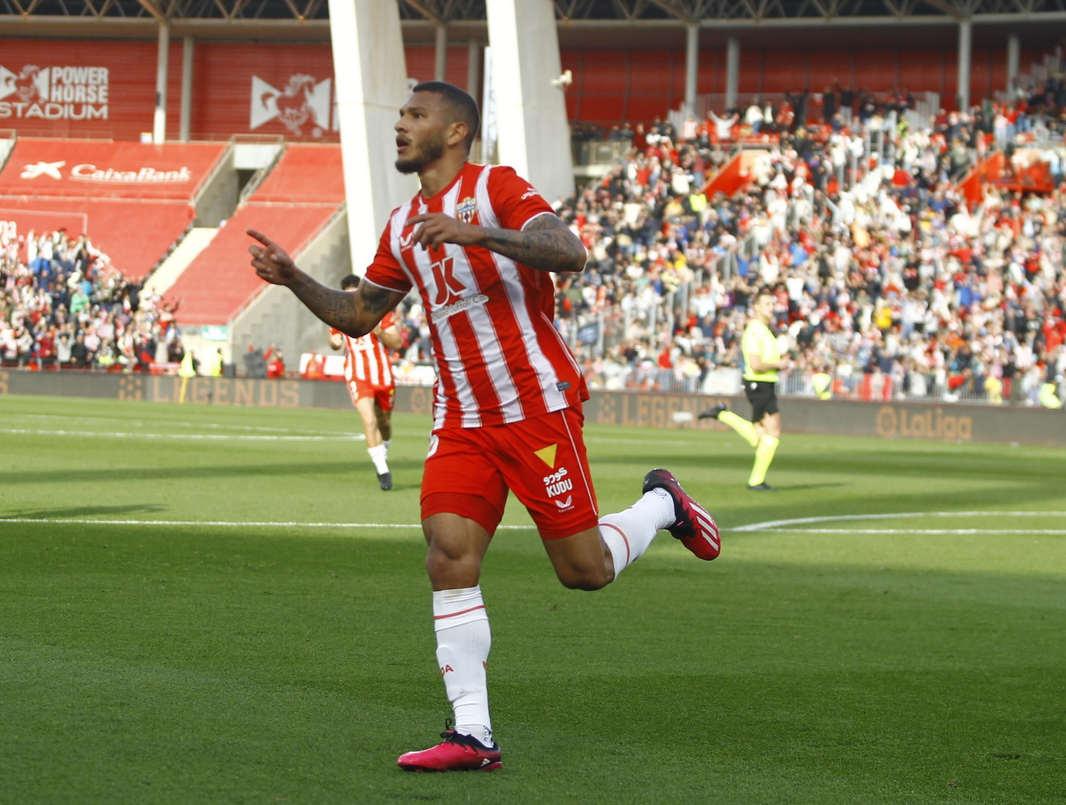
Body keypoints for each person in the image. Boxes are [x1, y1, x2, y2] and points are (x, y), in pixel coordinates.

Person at [249, 81, 721, 773]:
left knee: (584, 572)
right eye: (401, 115)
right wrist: (294, 279)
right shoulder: (401, 223)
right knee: (448, 556)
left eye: (415, 115)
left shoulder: (496, 187)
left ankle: (663, 504)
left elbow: (568, 252)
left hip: (535, 405)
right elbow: (359, 315)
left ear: (457, 132)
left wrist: (479, 234)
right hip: (462, 419)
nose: (400, 126)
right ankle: (473, 734)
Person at [701, 289, 787, 491]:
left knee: (761, 436)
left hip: (764, 384)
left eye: (772, 303)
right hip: (759, 384)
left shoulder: (765, 330)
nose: (771, 307)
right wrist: (780, 364)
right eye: (767, 303)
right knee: (772, 433)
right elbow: (756, 364)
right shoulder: (755, 330)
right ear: (756, 307)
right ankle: (756, 481)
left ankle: (722, 413)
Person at [328, 274, 401, 490]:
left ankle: (382, 451)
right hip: (357, 375)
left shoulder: (379, 313)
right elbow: (333, 339)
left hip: (383, 376)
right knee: (369, 421)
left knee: (384, 422)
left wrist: (379, 332)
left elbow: (396, 342)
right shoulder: (339, 315)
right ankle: (383, 470)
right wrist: (334, 342)